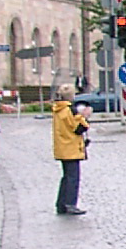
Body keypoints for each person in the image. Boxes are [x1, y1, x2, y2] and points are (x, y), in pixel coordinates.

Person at [52, 84, 90, 214]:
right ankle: (70, 204)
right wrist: (84, 116)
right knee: (73, 178)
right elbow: (79, 128)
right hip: (71, 148)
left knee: (66, 177)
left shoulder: (58, 109)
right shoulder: (69, 110)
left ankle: (61, 204)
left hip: (62, 147)